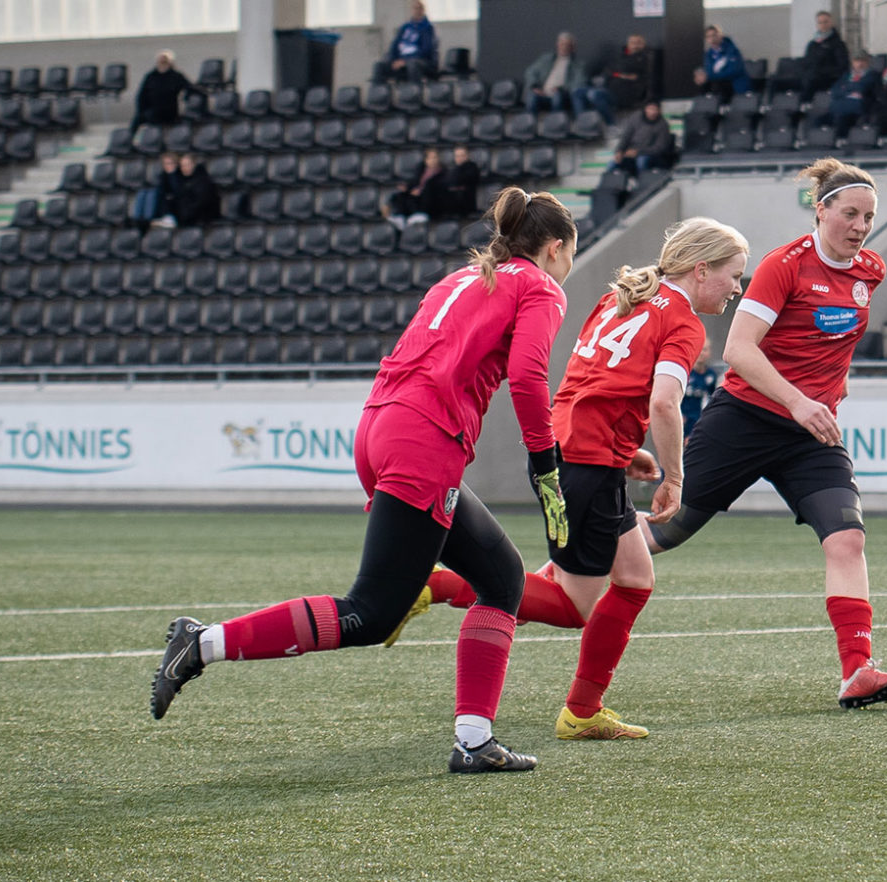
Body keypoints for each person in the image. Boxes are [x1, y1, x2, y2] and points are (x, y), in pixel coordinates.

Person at [149, 188, 579, 775]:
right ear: (555, 248)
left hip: (379, 427)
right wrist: (546, 466)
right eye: (569, 254)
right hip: (423, 441)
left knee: (501, 577)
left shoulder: (458, 280)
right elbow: (528, 378)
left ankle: (474, 742)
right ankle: (201, 644)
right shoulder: (540, 286)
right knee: (371, 612)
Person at [406, 218, 751, 741]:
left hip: (573, 453)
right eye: (734, 275)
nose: (737, 288)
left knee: (635, 580)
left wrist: (620, 447)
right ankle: (428, 584)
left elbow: (587, 380)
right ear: (701, 270)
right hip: (584, 466)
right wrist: (674, 477)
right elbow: (663, 401)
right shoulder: (683, 321)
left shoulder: (625, 297)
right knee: (572, 606)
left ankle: (583, 710)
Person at [643, 158, 887, 711]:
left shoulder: (871, 270)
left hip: (810, 432)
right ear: (821, 211)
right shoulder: (782, 265)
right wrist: (799, 400)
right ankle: (534, 583)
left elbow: (831, 344)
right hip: (745, 419)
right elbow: (740, 350)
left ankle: (857, 669)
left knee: (848, 536)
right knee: (664, 534)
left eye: (869, 216)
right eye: (850, 214)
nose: (860, 227)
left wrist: (830, 391)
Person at [129, 50, 200, 135]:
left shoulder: (176, 76)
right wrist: (141, 109)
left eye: (165, 61)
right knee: (138, 119)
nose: (162, 63)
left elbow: (189, 87)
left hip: (169, 111)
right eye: (161, 61)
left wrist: (189, 95)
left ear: (170, 63)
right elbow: (142, 95)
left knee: (153, 117)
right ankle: (128, 141)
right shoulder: (151, 76)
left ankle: (156, 141)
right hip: (152, 109)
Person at [384, 147, 446, 230]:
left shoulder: (443, 173)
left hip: (431, 199)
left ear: (438, 159)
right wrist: (407, 188)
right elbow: (414, 182)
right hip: (416, 195)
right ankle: (399, 217)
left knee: (424, 194)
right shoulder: (421, 170)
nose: (433, 160)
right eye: (430, 158)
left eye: (435, 157)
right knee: (400, 195)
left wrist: (420, 191)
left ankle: (418, 214)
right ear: (426, 160)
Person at [820, 50, 879, 137]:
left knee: (841, 121)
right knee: (818, 121)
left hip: (857, 112)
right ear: (852, 62)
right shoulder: (847, 75)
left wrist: (845, 89)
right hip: (839, 109)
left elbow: (861, 88)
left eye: (862, 60)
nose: (859, 64)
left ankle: (839, 144)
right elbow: (835, 91)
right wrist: (850, 91)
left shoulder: (872, 75)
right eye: (857, 61)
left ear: (867, 61)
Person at [609, 102, 675, 175]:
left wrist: (638, 152)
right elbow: (626, 137)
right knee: (612, 163)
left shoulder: (663, 125)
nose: (653, 112)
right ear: (645, 109)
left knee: (642, 160)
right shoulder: (635, 118)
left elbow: (660, 148)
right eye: (650, 109)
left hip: (652, 155)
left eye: (655, 110)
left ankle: (643, 182)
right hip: (632, 153)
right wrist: (619, 150)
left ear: (659, 111)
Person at [383, 1, 439, 83]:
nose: (417, 11)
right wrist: (393, 60)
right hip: (401, 60)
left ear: (423, 10)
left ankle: (413, 92)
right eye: (415, 8)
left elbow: (426, 50)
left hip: (420, 60)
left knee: (413, 64)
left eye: (419, 8)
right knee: (380, 65)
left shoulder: (427, 28)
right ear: (411, 10)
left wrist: (405, 61)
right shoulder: (405, 27)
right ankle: (379, 93)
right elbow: (394, 45)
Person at [693, 24, 752, 100]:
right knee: (702, 82)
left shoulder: (732, 50)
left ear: (720, 36)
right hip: (719, 86)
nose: (712, 39)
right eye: (708, 36)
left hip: (735, 86)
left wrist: (709, 76)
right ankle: (704, 105)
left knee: (717, 84)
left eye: (714, 35)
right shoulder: (708, 55)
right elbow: (709, 71)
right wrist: (702, 76)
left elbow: (733, 71)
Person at [800, 10, 850, 97]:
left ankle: (805, 103)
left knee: (810, 81)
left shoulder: (838, 44)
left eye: (825, 22)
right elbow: (806, 62)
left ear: (831, 23)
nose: (823, 25)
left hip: (829, 77)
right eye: (820, 22)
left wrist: (822, 70)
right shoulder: (812, 44)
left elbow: (842, 65)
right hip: (812, 75)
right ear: (817, 25)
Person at [604, 33, 658, 111]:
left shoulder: (647, 57)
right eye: (633, 43)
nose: (635, 46)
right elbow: (609, 70)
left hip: (632, 95)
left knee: (595, 95)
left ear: (644, 44)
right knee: (584, 92)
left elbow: (636, 74)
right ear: (628, 44)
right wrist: (619, 75)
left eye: (638, 43)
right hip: (611, 91)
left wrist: (620, 75)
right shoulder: (619, 56)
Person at [169, 154, 219, 227]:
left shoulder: (203, 181)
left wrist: (186, 215)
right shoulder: (181, 180)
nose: (184, 168)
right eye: (182, 166)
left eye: (187, 165)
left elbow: (201, 202)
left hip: (202, 219)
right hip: (185, 218)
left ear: (194, 165)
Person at [682, 338, 718, 438]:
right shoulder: (685, 373)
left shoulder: (711, 375)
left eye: (705, 349)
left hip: (702, 421)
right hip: (684, 422)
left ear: (709, 352)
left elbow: (713, 398)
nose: (701, 353)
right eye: (699, 349)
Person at [135, 152, 182, 229]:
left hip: (172, 206)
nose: (167, 166)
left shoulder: (178, 176)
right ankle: (138, 218)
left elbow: (176, 190)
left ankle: (148, 219)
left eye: (170, 163)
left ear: (175, 164)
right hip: (162, 203)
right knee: (143, 192)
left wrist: (172, 174)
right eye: (165, 164)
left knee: (152, 194)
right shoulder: (163, 176)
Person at [440, 145, 481, 219]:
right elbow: (446, 181)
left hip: (466, 201)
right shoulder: (452, 168)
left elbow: (464, 180)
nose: (459, 158)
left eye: (462, 155)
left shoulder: (472, 167)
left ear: (467, 156)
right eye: (457, 156)